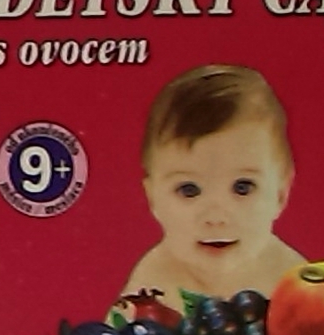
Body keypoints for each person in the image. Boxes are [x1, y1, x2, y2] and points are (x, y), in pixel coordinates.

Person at [120, 64, 306, 306]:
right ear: (153, 198)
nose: (216, 217)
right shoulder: (152, 281)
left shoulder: (291, 280)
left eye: (243, 187)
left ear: (280, 194)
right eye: (189, 190)